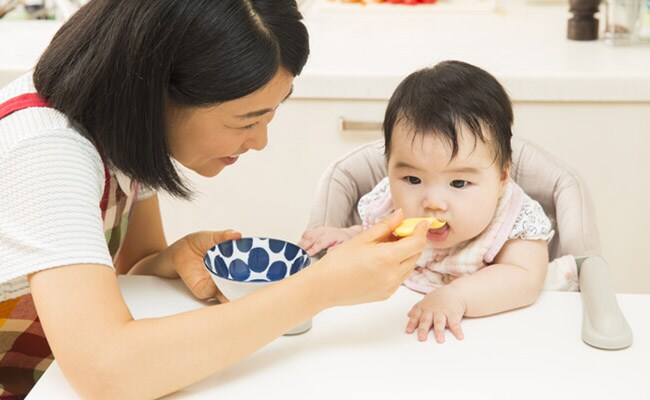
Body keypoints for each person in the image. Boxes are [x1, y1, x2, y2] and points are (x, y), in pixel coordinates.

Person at [0, 0, 429, 398]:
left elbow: (130, 268)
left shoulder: (120, 122)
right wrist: (322, 287)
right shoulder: (46, 151)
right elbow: (107, 369)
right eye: (246, 120)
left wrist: (171, 258)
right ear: (158, 93)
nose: (260, 141)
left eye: (271, 114)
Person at [299, 60, 579, 344]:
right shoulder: (393, 205)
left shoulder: (513, 220)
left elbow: (524, 279)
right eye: (412, 179)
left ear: (502, 179)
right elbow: (382, 237)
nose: (432, 202)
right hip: (396, 336)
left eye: (458, 183)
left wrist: (457, 295)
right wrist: (348, 236)